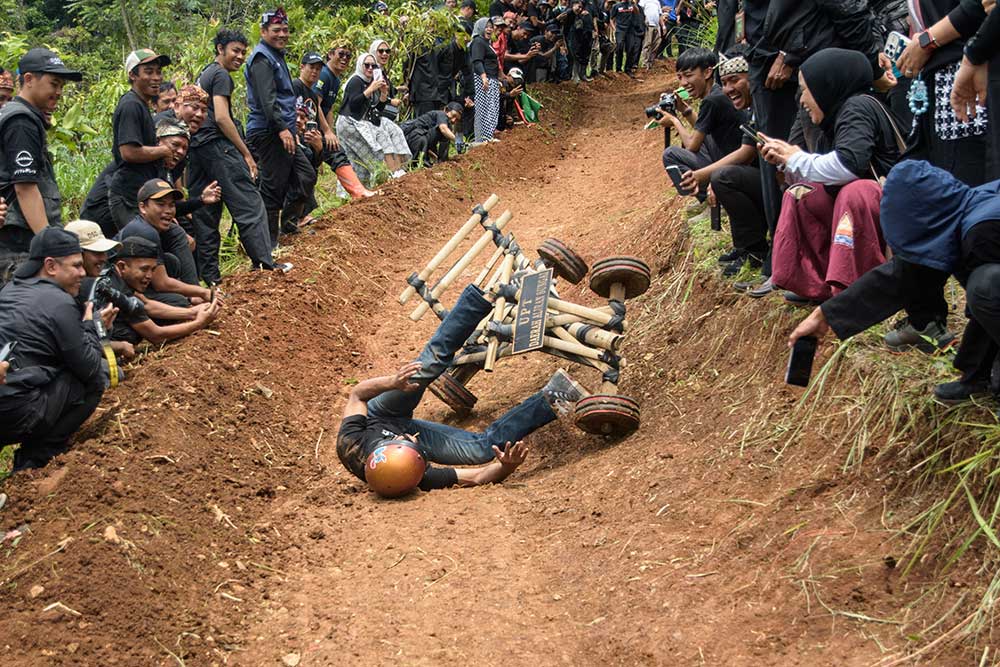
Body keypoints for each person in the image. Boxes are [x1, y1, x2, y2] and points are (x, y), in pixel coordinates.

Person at [337, 282, 586, 495]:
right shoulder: (417, 476)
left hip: (381, 415)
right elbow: (478, 476)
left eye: (407, 440)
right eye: (415, 443)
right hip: (397, 444)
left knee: (427, 369)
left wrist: (392, 382)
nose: (413, 437)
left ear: (382, 448)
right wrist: (507, 466)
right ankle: (553, 397)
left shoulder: (351, 442)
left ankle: (486, 296)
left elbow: (358, 393)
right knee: (480, 451)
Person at [788, 160, 1000, 403]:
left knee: (985, 287)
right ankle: (978, 377)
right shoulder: (965, 210)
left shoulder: (982, 231)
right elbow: (903, 275)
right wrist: (823, 316)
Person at [760, 48, 904, 304]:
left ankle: (858, 288)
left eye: (805, 90)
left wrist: (795, 157)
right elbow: (825, 173)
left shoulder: (857, 107)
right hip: (868, 212)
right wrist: (785, 161)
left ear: (826, 85)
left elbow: (848, 166)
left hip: (896, 213)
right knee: (802, 193)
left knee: (856, 192)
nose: (802, 100)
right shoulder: (834, 117)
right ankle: (815, 284)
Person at [0, 227, 113, 472]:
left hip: (7, 397)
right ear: (51, 266)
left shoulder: (8, 290)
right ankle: (36, 457)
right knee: (94, 381)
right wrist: (92, 326)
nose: (83, 273)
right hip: (17, 413)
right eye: (76, 266)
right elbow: (91, 369)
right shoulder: (60, 303)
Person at [188, 28, 283, 284]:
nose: (240, 57)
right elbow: (221, 117)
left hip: (197, 148)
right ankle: (265, 263)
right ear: (220, 49)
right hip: (218, 147)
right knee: (249, 202)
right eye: (235, 51)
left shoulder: (206, 72)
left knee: (207, 211)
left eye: (243, 52)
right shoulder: (220, 75)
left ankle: (210, 279)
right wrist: (246, 154)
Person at [678, 51, 767, 276]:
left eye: (735, 80)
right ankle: (745, 247)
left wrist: (702, 176)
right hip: (757, 174)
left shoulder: (721, 101)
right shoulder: (749, 107)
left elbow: (744, 153)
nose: (729, 89)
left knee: (722, 177)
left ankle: (756, 249)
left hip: (775, 182)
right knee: (723, 177)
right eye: (725, 82)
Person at [0, 48, 83, 272]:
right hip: (20, 247)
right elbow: (25, 188)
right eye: (54, 84)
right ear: (29, 79)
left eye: (61, 86)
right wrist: (51, 245)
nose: (58, 92)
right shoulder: (21, 121)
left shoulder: (19, 116)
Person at [245, 8, 310, 249]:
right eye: (276, 30)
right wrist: (283, 128)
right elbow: (267, 99)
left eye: (285, 30)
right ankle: (269, 245)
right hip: (269, 130)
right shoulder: (262, 58)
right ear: (263, 32)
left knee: (305, 175)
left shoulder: (275, 55)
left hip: (282, 128)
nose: (282, 34)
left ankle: (289, 226)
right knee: (272, 188)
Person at [99, 236, 222, 346]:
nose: (149, 276)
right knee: (131, 333)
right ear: (122, 266)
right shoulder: (116, 290)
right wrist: (199, 323)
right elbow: (156, 335)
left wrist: (192, 312)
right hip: (95, 347)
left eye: (153, 269)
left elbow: (147, 304)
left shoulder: (114, 273)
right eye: (144, 269)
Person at [659, 48, 745, 200]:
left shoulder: (711, 101)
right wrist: (684, 109)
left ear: (707, 73)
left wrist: (674, 121)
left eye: (689, 75)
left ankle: (706, 196)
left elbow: (692, 145)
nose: (684, 83)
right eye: (680, 77)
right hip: (728, 154)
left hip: (733, 164)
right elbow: (702, 130)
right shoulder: (716, 92)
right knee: (702, 137)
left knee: (670, 154)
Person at [114, 178, 212, 306]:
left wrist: (195, 292)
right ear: (143, 207)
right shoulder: (143, 230)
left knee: (172, 257)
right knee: (179, 302)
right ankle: (191, 299)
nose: (168, 210)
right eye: (160, 204)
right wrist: (203, 292)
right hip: (119, 287)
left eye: (171, 205)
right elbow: (161, 284)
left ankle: (193, 296)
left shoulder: (164, 228)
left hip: (142, 281)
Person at [108, 48, 173, 230]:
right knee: (140, 246)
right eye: (149, 72)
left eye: (159, 72)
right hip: (128, 195)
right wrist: (164, 150)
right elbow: (128, 152)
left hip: (141, 193)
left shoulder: (142, 105)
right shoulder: (131, 105)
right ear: (133, 75)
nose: (156, 77)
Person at [336, 51, 413, 184]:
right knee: (373, 153)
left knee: (362, 162)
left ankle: (396, 172)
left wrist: (383, 95)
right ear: (361, 66)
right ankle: (388, 177)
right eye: (367, 65)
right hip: (349, 123)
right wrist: (370, 90)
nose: (370, 68)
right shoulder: (355, 81)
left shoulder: (371, 82)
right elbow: (353, 104)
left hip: (362, 122)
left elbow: (376, 109)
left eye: (374, 66)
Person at [312, 43, 377, 200]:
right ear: (330, 54)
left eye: (348, 56)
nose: (344, 59)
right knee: (309, 169)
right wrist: (326, 132)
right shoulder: (325, 75)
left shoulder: (335, 78)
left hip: (320, 127)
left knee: (338, 155)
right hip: (308, 126)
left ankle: (353, 193)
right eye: (341, 54)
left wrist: (330, 133)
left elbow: (328, 108)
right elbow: (315, 104)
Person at [470, 18, 503, 143]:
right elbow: (477, 61)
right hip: (484, 79)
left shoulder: (487, 43)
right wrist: (484, 77)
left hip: (491, 79)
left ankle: (489, 135)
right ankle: (484, 138)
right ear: (480, 28)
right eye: (486, 26)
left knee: (492, 107)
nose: (489, 29)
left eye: (490, 26)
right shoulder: (478, 42)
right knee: (485, 108)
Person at [609, 0, 642, 74]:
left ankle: (628, 69)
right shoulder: (616, 6)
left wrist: (634, 4)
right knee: (619, 48)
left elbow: (637, 12)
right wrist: (614, 29)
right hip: (620, 30)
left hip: (630, 30)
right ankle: (618, 68)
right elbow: (611, 19)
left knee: (630, 49)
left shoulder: (631, 5)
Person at [639, 0, 661, 70]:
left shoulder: (657, 2)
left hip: (656, 25)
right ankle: (645, 63)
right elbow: (640, 12)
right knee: (647, 44)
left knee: (656, 44)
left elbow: (659, 14)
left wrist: (662, 26)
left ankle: (651, 62)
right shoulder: (643, 1)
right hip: (648, 25)